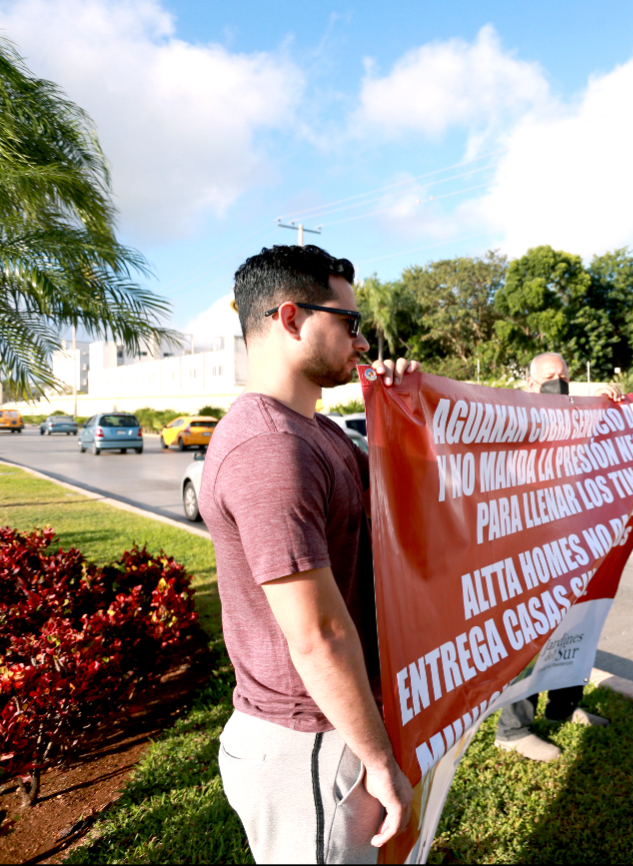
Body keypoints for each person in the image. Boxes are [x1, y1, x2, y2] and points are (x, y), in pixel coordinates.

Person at [202, 244, 417, 864]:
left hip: (333, 725)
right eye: (349, 323)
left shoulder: (314, 430)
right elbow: (318, 634)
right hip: (310, 743)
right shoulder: (271, 450)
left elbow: (394, 515)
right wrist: (377, 760)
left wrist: (405, 414)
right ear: (291, 319)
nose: (363, 342)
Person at [492, 352, 618, 761]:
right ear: (529, 384)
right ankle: (512, 729)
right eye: (549, 379)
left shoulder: (576, 417)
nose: (558, 384)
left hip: (572, 550)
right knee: (529, 641)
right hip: (527, 555)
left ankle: (564, 707)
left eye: (564, 377)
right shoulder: (513, 417)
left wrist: (603, 403)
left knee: (574, 631)